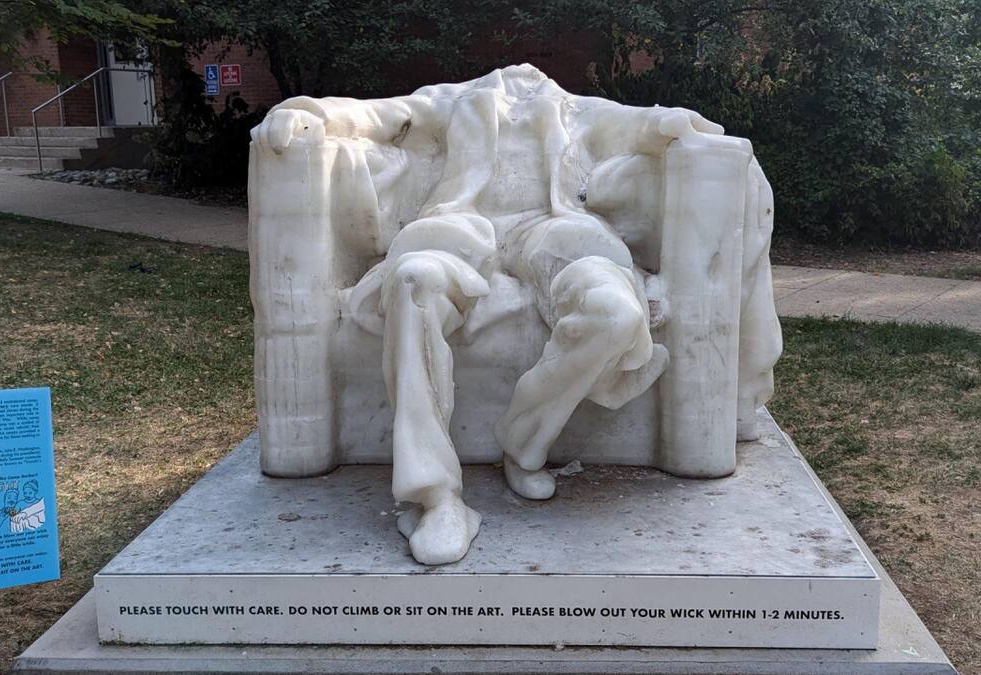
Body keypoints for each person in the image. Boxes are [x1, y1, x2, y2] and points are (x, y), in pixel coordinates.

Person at [256, 65, 779, 565]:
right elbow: (377, 115)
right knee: (413, 280)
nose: (523, 79)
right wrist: (308, 113)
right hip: (463, 233)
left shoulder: (576, 109)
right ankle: (435, 498)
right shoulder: (455, 98)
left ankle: (523, 440)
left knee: (617, 312)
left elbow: (643, 121)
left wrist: (678, 124)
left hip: (553, 236)